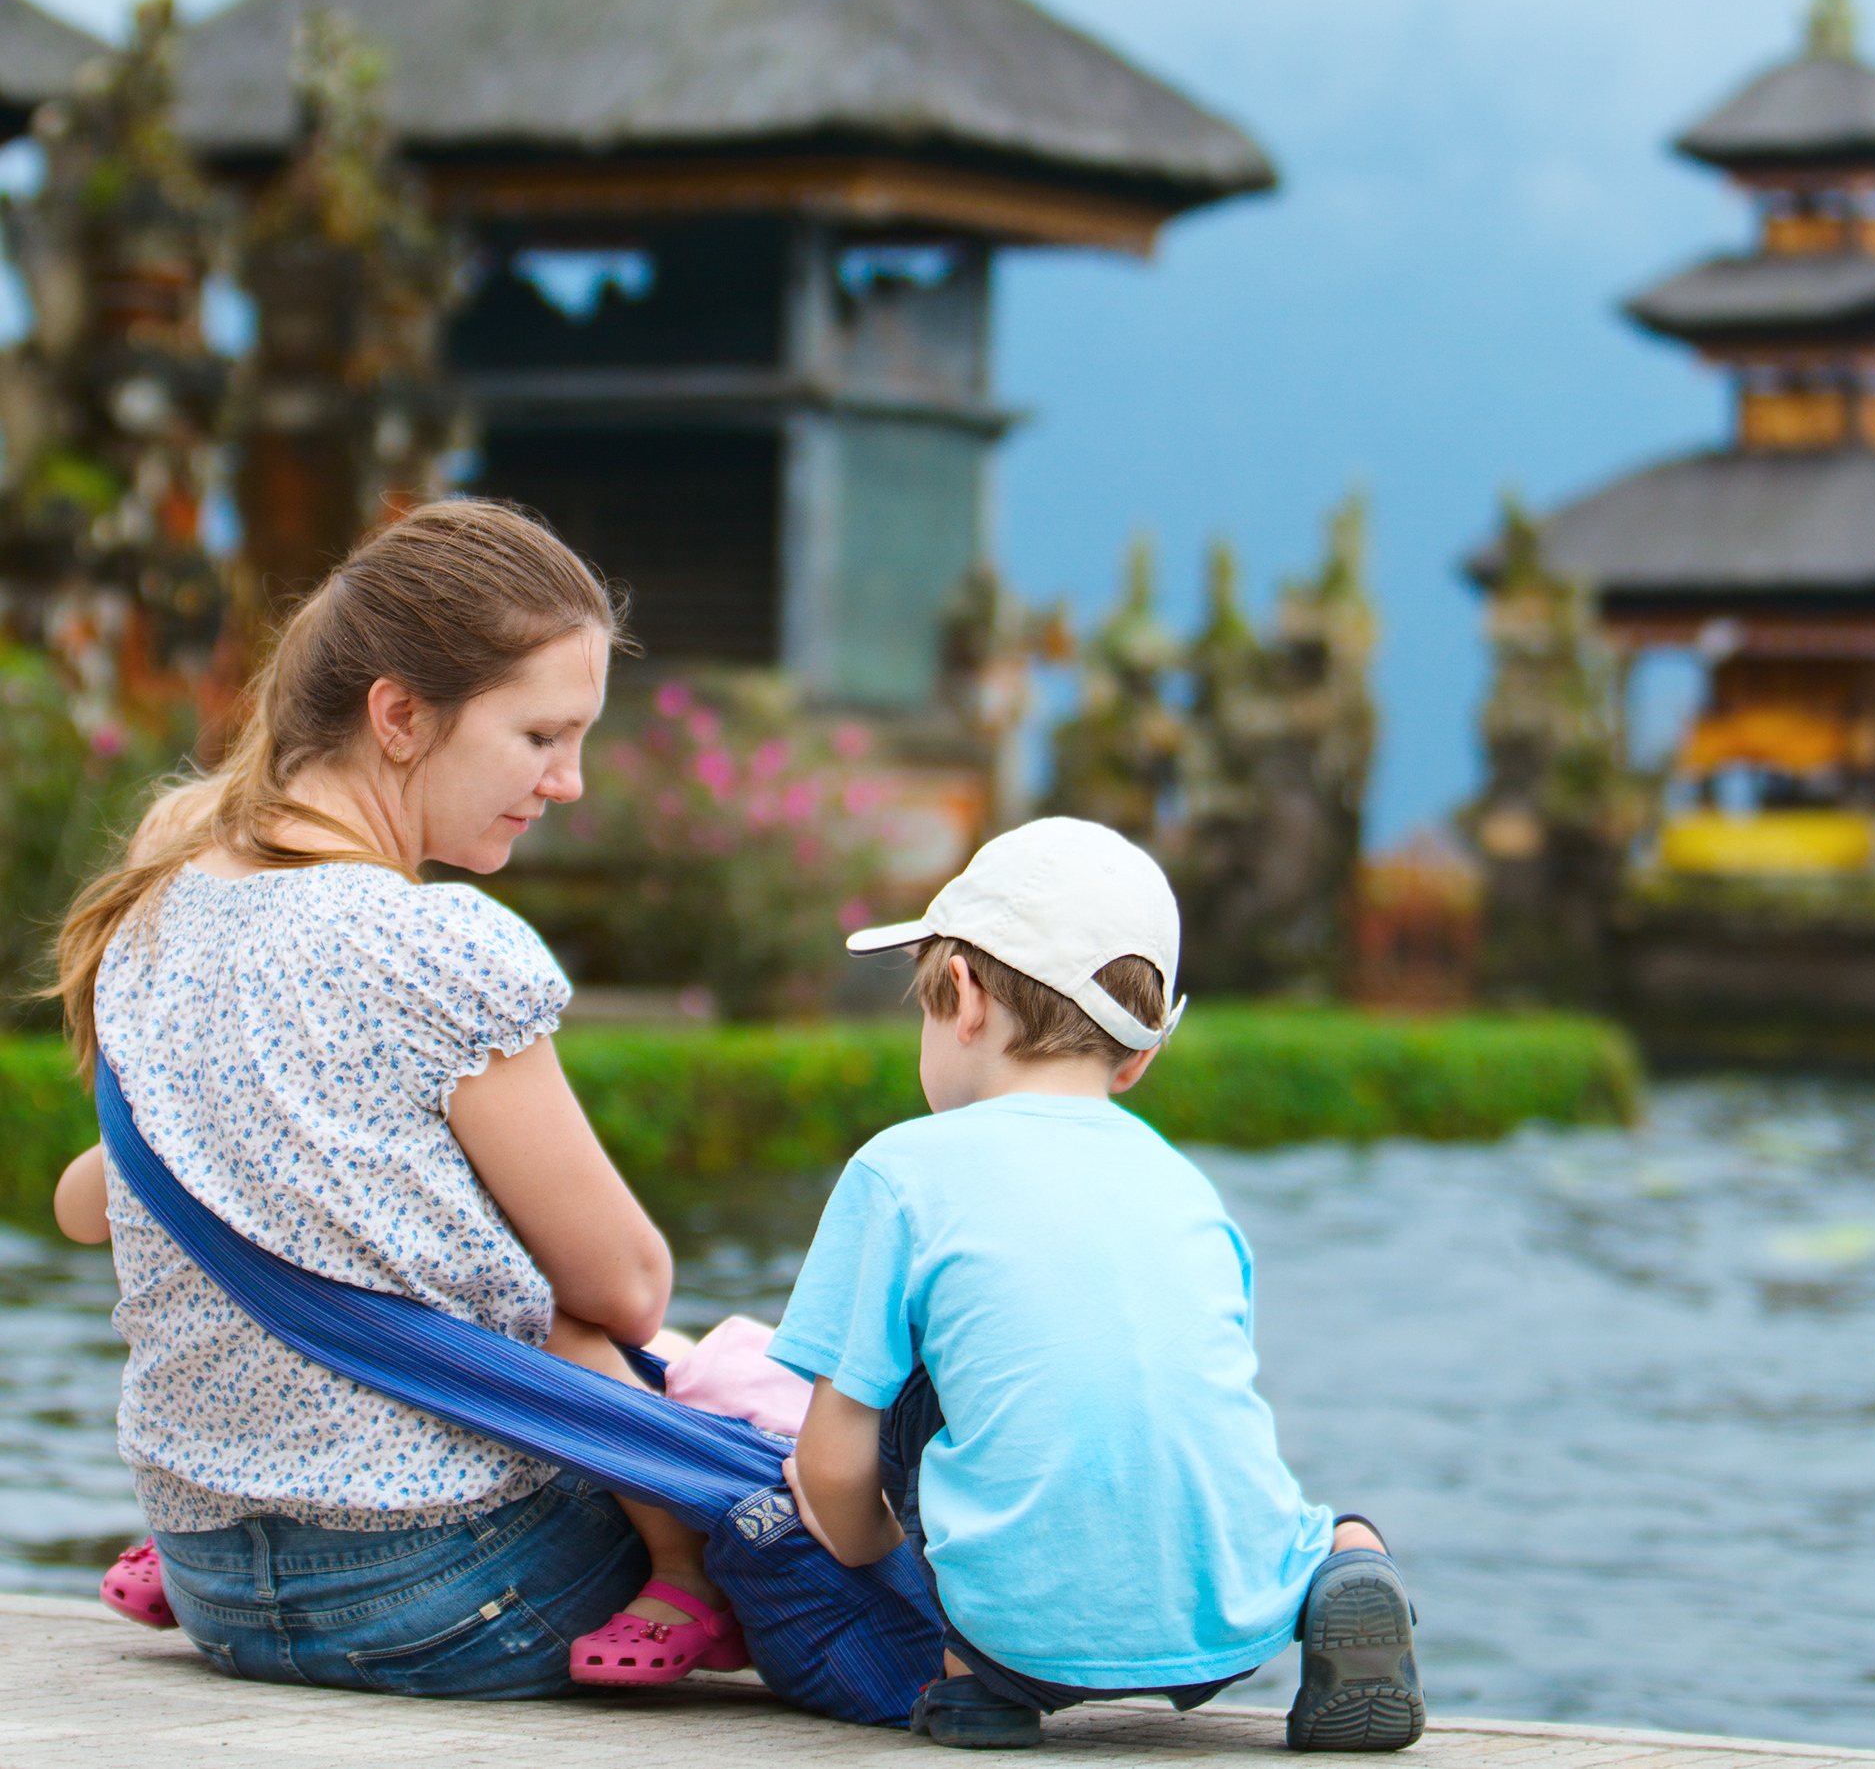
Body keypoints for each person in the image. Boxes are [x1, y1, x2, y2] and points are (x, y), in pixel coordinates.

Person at [51, 501, 745, 1696]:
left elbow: (93, 1200)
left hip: (213, 1581)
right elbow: (623, 1285)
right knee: (680, 1368)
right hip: (453, 1592)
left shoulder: (155, 911)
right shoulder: (433, 943)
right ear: (400, 714)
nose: (569, 782)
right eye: (540, 735)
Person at [771, 818, 1426, 1751]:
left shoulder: (900, 1171)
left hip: (1017, 1629)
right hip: (1234, 1617)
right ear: (1140, 1053)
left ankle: (977, 1683)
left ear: (961, 996)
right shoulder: (1189, 1188)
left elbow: (833, 1469)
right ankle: (1345, 1573)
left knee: (912, 1383)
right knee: (1324, 1526)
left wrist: (873, 1553)